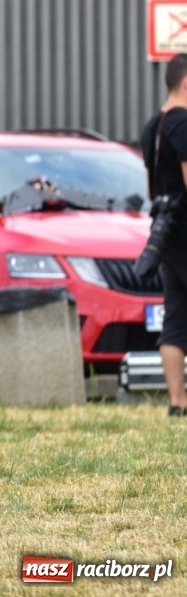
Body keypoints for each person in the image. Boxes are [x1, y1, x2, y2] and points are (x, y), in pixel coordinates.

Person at [141, 52, 187, 418]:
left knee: (175, 313)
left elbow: (150, 188)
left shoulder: (152, 126)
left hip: (166, 235)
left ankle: (176, 401)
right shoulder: (183, 124)